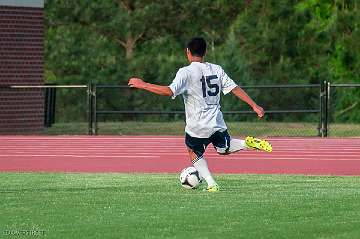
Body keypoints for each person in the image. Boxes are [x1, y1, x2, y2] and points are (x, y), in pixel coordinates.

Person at [128, 37, 272, 192]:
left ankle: (211, 184)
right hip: (217, 122)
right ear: (205, 52)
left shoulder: (186, 72)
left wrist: (143, 84)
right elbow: (234, 88)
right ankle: (246, 143)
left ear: (188, 52)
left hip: (197, 126)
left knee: (193, 151)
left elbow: (169, 91)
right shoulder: (217, 69)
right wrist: (254, 105)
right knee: (224, 148)